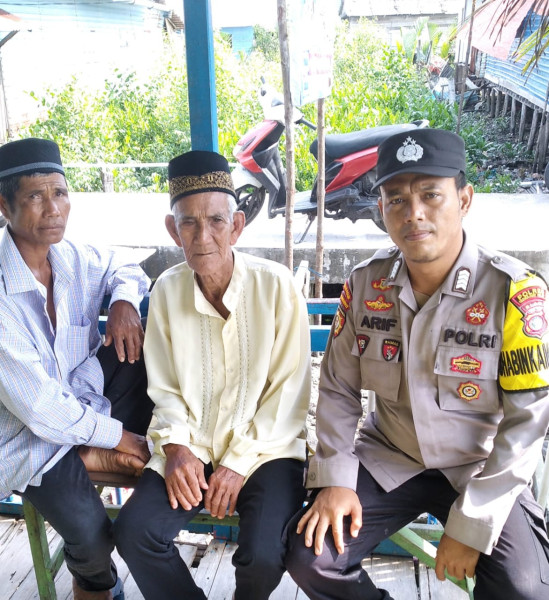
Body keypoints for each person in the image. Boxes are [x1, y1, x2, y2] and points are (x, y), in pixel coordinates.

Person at [284, 128, 549, 599]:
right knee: (313, 556)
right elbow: (339, 387)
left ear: (464, 199)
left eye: (431, 195)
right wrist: (336, 480)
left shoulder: (513, 291)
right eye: (396, 199)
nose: (414, 214)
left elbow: (527, 422)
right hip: (389, 457)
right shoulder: (366, 285)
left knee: (523, 587)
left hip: (478, 465)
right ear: (381, 209)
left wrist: (472, 523)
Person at [114, 150, 311, 600]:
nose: (203, 237)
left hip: (268, 449)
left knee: (263, 553)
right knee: (135, 532)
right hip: (193, 445)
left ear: (237, 225)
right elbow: (164, 389)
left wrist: (237, 464)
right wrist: (178, 447)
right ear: (172, 228)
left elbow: (288, 394)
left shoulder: (277, 285)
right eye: (188, 223)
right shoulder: (166, 289)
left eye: (217, 221)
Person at [0, 138, 153, 600]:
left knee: (147, 352)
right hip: (26, 433)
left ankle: (98, 454)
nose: (53, 209)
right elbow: (41, 407)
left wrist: (125, 300)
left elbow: (126, 263)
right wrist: (121, 437)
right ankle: (95, 584)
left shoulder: (71, 258)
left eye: (60, 193)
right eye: (34, 196)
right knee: (90, 533)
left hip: (82, 396)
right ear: (2, 206)